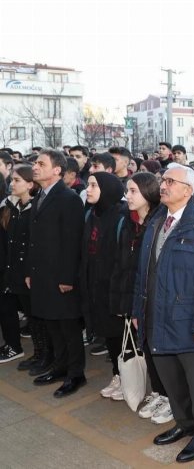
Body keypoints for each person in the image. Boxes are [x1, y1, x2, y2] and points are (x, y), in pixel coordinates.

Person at [131, 163, 194, 463]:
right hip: (156, 317)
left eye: (171, 181)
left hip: (189, 321)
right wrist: (137, 310)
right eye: (163, 179)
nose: (163, 185)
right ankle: (183, 424)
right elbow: (142, 272)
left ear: (188, 189)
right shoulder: (157, 221)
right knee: (170, 380)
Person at [109, 172, 173, 423]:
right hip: (137, 295)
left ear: (148, 193)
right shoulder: (128, 221)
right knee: (146, 347)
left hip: (156, 297)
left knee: (161, 349)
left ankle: (170, 397)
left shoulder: (160, 222)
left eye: (134, 191)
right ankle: (158, 392)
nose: (128, 196)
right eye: (127, 190)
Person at [27, 150, 86, 398]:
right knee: (52, 324)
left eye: (41, 163)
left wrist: (67, 278)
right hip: (42, 275)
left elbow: (73, 242)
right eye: (35, 163)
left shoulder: (68, 198)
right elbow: (34, 239)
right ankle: (60, 367)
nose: (35, 167)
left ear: (57, 170)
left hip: (61, 277)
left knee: (68, 328)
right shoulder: (40, 195)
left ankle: (75, 374)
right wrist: (30, 271)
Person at [80, 172, 128, 401]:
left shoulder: (121, 216)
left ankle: (127, 378)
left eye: (93, 186)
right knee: (109, 337)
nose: (88, 190)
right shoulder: (91, 214)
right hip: (96, 287)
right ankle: (118, 375)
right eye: (88, 185)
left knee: (121, 338)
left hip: (114, 288)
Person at [0, 165, 36, 364]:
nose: (11, 184)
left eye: (17, 180)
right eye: (11, 180)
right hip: (9, 269)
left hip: (26, 272)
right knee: (6, 309)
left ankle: (43, 354)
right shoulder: (9, 206)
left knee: (33, 314)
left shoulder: (35, 208)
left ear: (30, 184)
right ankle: (13, 346)